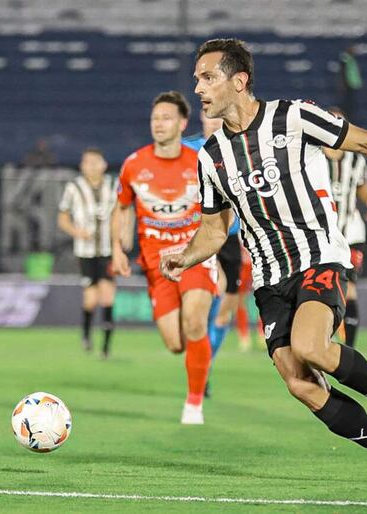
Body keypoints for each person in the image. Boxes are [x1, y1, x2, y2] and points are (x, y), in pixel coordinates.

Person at [161, 38, 367, 484]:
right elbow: (211, 229)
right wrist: (185, 259)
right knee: (299, 382)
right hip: (268, 278)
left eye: (208, 78)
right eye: (197, 80)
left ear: (239, 81)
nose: (199, 88)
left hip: (318, 255)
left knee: (310, 346)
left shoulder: (293, 116)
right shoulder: (211, 157)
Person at [110, 91, 217, 425]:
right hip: (156, 264)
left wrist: (215, 248)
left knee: (195, 321)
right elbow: (122, 207)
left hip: (193, 256)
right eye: (155, 118)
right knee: (175, 343)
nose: (159, 124)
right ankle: (197, 356)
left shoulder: (199, 162)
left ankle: (194, 404)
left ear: (182, 123)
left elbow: (221, 208)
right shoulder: (134, 164)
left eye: (166, 118)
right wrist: (117, 247)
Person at [184, 111, 241, 396]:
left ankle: (206, 363)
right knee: (211, 295)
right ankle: (199, 363)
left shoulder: (240, 146)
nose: (213, 122)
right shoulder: (188, 149)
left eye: (217, 117)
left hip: (231, 237)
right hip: (203, 234)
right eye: (209, 117)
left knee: (226, 310)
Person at [324, 107, 367, 348]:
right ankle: (323, 338)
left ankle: (350, 348)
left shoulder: (355, 159)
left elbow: (360, 184)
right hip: (324, 236)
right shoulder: (313, 157)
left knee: (350, 289)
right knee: (325, 288)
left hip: (352, 233)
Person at [57, 148, 117, 358]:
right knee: (90, 299)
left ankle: (106, 347)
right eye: (87, 162)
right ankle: (86, 335)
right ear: (82, 166)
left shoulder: (114, 184)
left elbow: (124, 211)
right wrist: (76, 231)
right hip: (85, 252)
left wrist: (123, 237)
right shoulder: (74, 187)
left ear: (104, 164)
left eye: (95, 161)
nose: (91, 166)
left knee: (107, 296)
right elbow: (62, 218)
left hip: (109, 250)